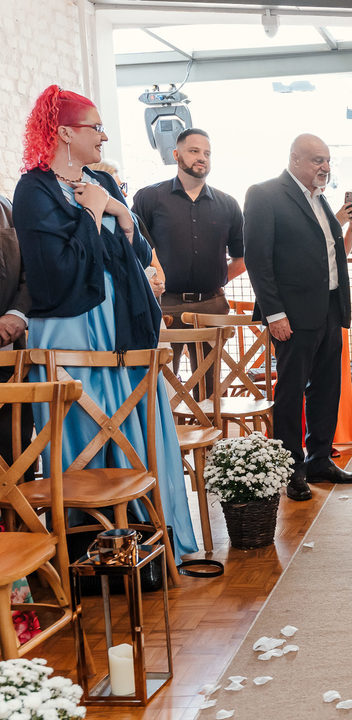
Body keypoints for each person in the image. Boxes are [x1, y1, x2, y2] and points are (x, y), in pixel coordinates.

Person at [11, 85, 199, 561]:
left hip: (120, 322)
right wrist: (93, 214)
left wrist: (120, 213)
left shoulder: (104, 181)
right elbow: (52, 270)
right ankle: (90, 550)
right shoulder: (33, 189)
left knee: (135, 422)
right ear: (64, 133)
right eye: (95, 127)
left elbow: (136, 254)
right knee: (86, 429)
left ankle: (149, 538)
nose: (104, 136)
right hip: (70, 324)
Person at [243, 133, 352, 502]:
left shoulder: (320, 200)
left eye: (327, 160)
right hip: (292, 315)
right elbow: (257, 259)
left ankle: (320, 460)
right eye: (316, 160)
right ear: (295, 159)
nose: (324, 167)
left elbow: (329, 252)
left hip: (329, 307)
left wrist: (349, 224)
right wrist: (274, 313)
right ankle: (290, 468)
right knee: (292, 393)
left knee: (327, 387)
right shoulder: (264, 194)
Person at [131, 128, 245, 377]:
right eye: (194, 151)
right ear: (176, 154)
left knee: (210, 386)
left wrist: (220, 280)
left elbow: (241, 257)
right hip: (164, 304)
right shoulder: (149, 198)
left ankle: (208, 418)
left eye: (207, 153)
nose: (201, 157)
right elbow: (133, 251)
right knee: (163, 384)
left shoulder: (228, 204)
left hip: (212, 305)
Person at [89, 159, 166, 301]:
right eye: (118, 189)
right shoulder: (91, 224)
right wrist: (143, 285)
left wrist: (159, 284)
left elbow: (156, 265)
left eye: (123, 186)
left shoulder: (134, 220)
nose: (124, 194)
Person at [0, 194, 33, 476]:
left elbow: (31, 269)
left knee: (16, 446)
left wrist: (17, 314)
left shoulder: (8, 207)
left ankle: (18, 520)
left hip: (10, 354)